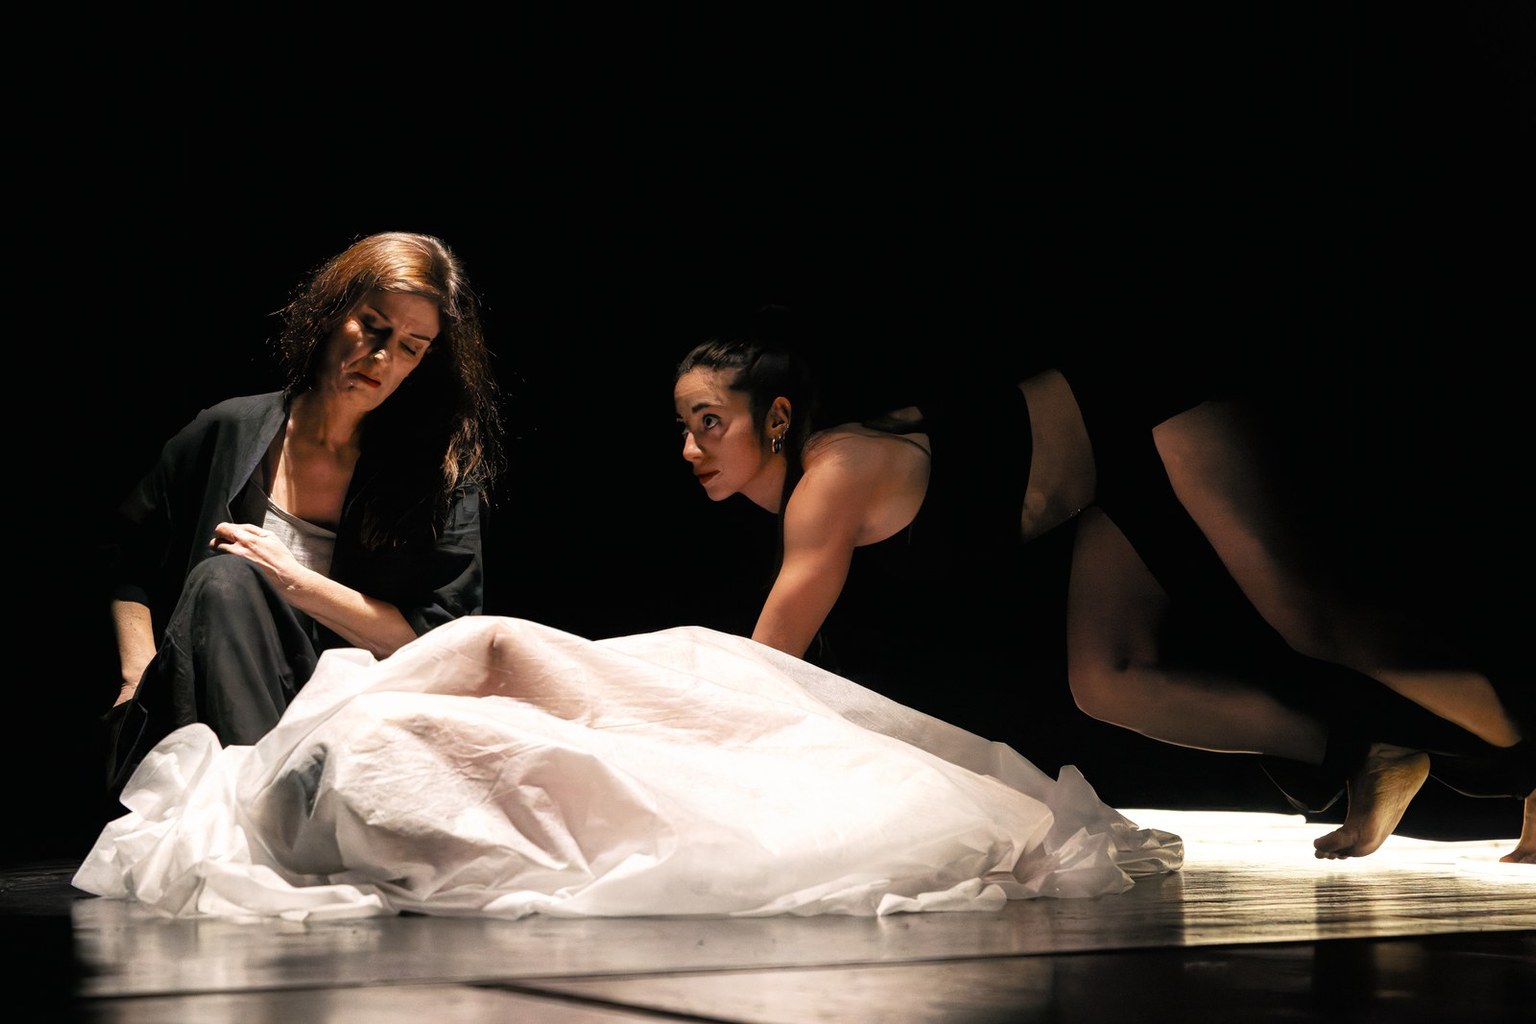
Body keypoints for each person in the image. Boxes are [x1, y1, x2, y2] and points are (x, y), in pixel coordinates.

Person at [671, 308, 1533, 865]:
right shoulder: (819, 487)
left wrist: (673, 770)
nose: (691, 448)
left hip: (1149, 406)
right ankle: (1367, 754)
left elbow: (768, 666)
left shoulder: (829, 482)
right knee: (1108, 679)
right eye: (684, 426)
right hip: (1103, 486)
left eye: (710, 422)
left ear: (776, 418)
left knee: (1312, 619)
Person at [74, 614, 1183, 919]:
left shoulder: (373, 732)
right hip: (406, 743)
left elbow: (504, 651)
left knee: (695, 735)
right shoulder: (376, 751)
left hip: (445, 717)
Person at [101, 231, 506, 796]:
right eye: (373, 325)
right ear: (332, 311)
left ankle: (274, 807)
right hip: (209, 721)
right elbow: (129, 556)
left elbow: (441, 642)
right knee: (225, 579)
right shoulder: (227, 430)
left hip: (352, 729)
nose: (383, 357)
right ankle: (265, 804)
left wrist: (296, 582)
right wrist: (134, 676)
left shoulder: (437, 476)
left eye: (411, 347)